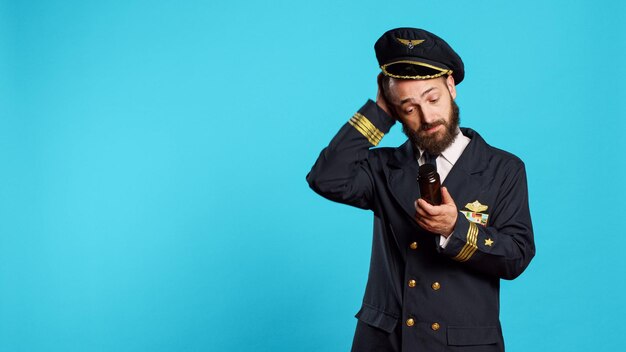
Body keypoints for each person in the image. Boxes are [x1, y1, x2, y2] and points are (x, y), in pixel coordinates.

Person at [306, 28, 535, 352]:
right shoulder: (383, 168)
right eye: (409, 107)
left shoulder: (502, 168)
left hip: (462, 345)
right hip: (387, 342)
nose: (427, 117)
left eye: (432, 98)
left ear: (451, 87)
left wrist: (455, 229)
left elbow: (516, 257)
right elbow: (326, 178)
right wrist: (378, 112)